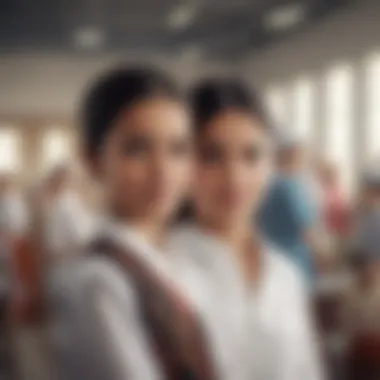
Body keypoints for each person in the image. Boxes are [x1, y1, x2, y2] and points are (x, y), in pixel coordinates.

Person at [48, 66, 220, 380]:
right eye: (137, 149)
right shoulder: (98, 282)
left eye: (178, 149)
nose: (163, 170)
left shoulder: (178, 257)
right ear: (93, 159)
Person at [173, 79, 323, 380]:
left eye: (251, 156)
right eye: (212, 156)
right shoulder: (162, 269)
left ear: (270, 164)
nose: (234, 177)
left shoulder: (284, 275)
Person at [259, 136, 322, 282]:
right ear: (293, 155)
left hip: (270, 254)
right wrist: (321, 254)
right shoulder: (290, 186)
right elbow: (306, 228)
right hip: (293, 256)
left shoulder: (267, 183)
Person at [42, 165, 95, 263]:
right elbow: (82, 237)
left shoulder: (59, 202)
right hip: (72, 261)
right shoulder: (67, 203)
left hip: (64, 259)